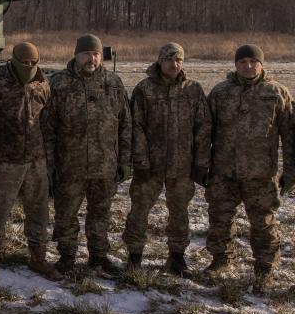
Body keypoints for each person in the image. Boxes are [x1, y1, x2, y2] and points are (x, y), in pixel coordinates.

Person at [205, 44, 294, 294]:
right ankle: (221, 260)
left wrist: (290, 171)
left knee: (263, 223)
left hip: (261, 174)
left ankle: (265, 267)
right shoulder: (221, 93)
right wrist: (202, 165)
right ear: (235, 65)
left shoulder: (276, 93)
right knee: (220, 218)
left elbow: (290, 136)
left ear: (262, 64)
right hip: (224, 172)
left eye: (253, 61)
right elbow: (205, 132)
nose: (248, 66)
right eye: (242, 62)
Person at [44, 34, 132, 277]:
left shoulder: (113, 83)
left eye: (95, 54)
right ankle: (67, 257)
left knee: (100, 213)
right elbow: (48, 128)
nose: (91, 58)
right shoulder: (59, 83)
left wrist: (125, 160)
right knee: (66, 214)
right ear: (76, 55)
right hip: (70, 165)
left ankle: (98, 256)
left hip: (105, 164)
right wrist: (50, 165)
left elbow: (125, 125)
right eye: (86, 53)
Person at [0, 42, 59, 293]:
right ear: (13, 61)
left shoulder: (42, 85)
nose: (30, 67)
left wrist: (48, 159)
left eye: (34, 63)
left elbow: (48, 123)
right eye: (24, 63)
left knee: (39, 213)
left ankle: (38, 258)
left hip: (36, 160)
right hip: (5, 162)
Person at [121, 43, 211, 276]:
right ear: (160, 61)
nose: (174, 64)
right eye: (169, 59)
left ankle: (177, 258)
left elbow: (203, 128)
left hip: (182, 166)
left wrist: (200, 163)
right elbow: (136, 127)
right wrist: (140, 161)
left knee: (179, 212)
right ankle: (134, 257)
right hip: (150, 166)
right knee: (139, 210)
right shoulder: (145, 89)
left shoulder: (193, 90)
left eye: (179, 60)